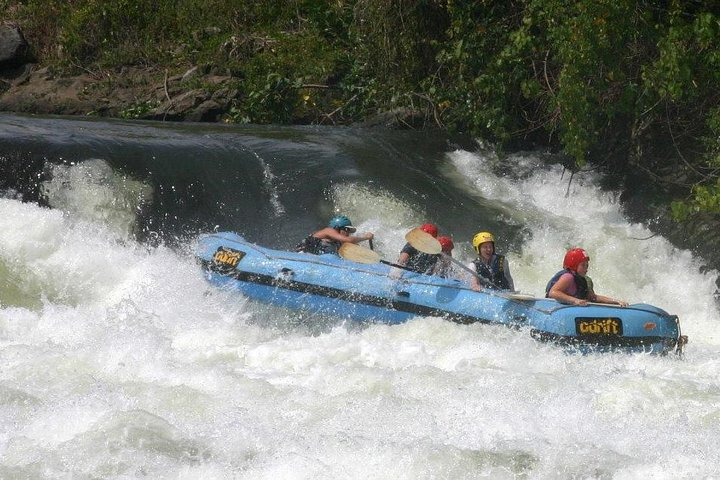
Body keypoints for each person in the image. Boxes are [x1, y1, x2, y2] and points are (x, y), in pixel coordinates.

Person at [545, 247, 628, 307]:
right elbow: (553, 292)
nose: (586, 268)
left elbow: (594, 297)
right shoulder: (568, 277)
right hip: (553, 307)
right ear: (573, 266)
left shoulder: (582, 280)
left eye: (587, 265)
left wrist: (616, 301)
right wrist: (575, 300)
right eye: (583, 265)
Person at [295, 215, 373, 255]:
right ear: (337, 228)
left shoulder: (337, 243)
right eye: (346, 229)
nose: (348, 233)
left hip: (316, 261)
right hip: (302, 255)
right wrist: (366, 237)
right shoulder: (328, 231)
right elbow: (349, 240)